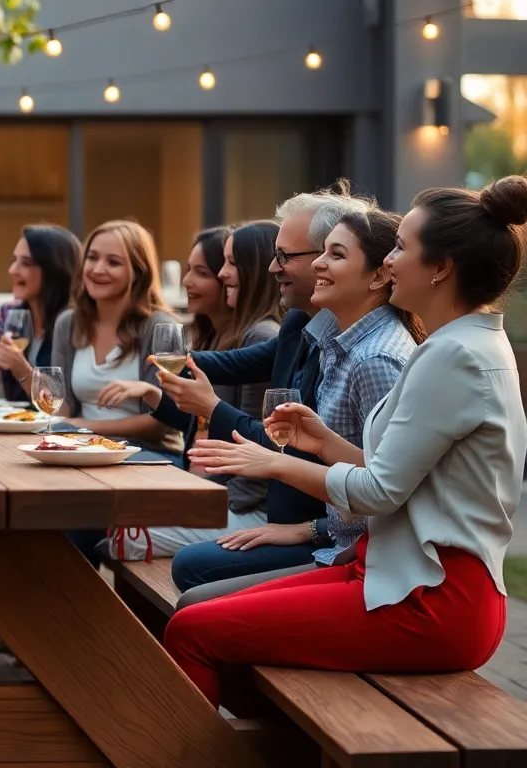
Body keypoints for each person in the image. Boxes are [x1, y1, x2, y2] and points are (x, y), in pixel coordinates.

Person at [165, 175, 527, 707]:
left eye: (402, 247)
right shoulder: (464, 345)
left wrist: (275, 465)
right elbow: (398, 474)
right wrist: (322, 441)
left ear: (441, 268)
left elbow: (379, 492)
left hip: (428, 599)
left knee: (191, 632)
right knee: (197, 612)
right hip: (399, 574)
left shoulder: (453, 356)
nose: (391, 261)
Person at [176, 207, 423, 605]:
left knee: (189, 581)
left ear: (379, 275)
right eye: (321, 252)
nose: (320, 264)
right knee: (188, 580)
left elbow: (390, 492)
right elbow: (372, 475)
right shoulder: (331, 339)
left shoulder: (374, 358)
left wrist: (307, 525)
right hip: (336, 541)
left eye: (335, 255)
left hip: (360, 560)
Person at [163, 185, 371, 591]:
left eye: (284, 257)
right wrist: (169, 359)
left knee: (178, 562)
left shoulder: (366, 352)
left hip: (318, 532)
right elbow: (237, 363)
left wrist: (210, 407)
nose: (273, 268)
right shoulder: (305, 325)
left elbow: (371, 482)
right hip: (299, 521)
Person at [90, 222, 282, 560]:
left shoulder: (262, 336)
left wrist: (200, 501)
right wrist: (155, 395)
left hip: (233, 501)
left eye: (230, 264)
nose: (223, 275)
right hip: (202, 485)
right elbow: (200, 426)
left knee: (117, 529)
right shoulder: (225, 334)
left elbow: (253, 443)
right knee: (105, 513)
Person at [50, 219, 183, 454]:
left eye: (113, 262)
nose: (98, 269)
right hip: (83, 449)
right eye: (92, 258)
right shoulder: (69, 323)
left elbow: (160, 423)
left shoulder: (160, 326)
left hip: (147, 454)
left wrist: (83, 427)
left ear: (138, 273)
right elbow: (63, 406)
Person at [0, 224, 78, 405]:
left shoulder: (74, 322)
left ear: (54, 269)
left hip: (58, 429)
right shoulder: (7, 312)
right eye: (14, 260)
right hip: (15, 426)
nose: (13, 270)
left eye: (26, 263)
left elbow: (63, 403)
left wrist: (21, 369)